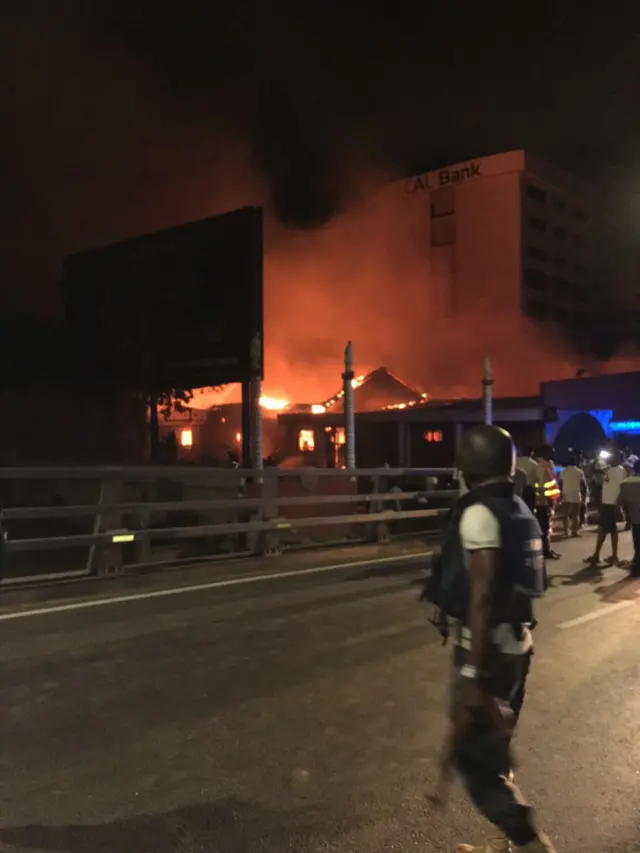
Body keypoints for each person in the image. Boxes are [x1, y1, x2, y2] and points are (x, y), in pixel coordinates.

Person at [432, 425, 556, 852]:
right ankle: (504, 842)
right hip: (516, 643)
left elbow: (482, 593)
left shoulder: (479, 513)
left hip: (489, 650)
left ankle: (530, 843)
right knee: (495, 748)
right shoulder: (516, 508)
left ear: (468, 467)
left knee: (477, 761)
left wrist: (471, 672)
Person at [586, 450, 627, 566]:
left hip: (611, 504)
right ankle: (613, 556)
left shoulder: (620, 470)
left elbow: (622, 487)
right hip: (607, 503)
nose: (610, 459)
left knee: (602, 530)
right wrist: (595, 461)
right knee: (612, 530)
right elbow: (594, 471)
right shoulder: (609, 469)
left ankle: (597, 555)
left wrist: (618, 504)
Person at [533, 446, 561, 560]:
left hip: (547, 500)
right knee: (544, 527)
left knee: (546, 526)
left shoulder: (547, 464)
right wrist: (548, 498)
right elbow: (542, 485)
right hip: (543, 501)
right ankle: (545, 550)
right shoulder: (541, 466)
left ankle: (547, 549)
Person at [618, 459, 640, 577]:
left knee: (637, 543)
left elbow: (621, 501)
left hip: (635, 518)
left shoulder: (625, 483)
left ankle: (636, 567)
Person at [559, 455, 586, 537]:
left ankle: (566, 531)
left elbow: (560, 483)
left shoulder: (563, 471)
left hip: (565, 494)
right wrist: (584, 496)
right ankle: (574, 531)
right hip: (576, 494)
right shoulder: (580, 472)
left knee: (565, 514)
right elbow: (583, 485)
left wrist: (560, 492)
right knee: (575, 515)